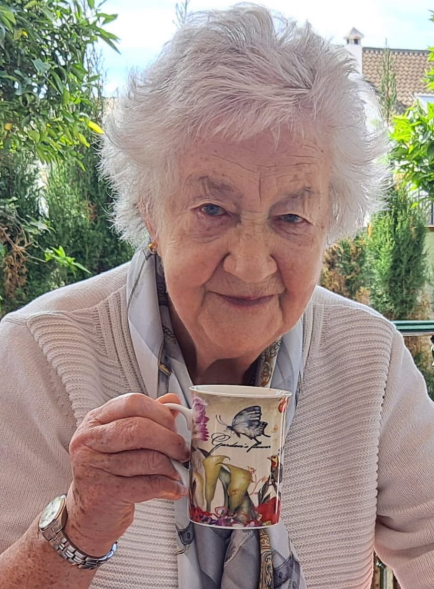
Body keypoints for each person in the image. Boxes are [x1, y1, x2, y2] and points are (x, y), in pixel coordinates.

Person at [1, 4, 433, 589]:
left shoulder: (369, 356)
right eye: (212, 209)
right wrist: (77, 525)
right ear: (151, 210)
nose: (251, 264)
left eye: (291, 216)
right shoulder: (38, 352)